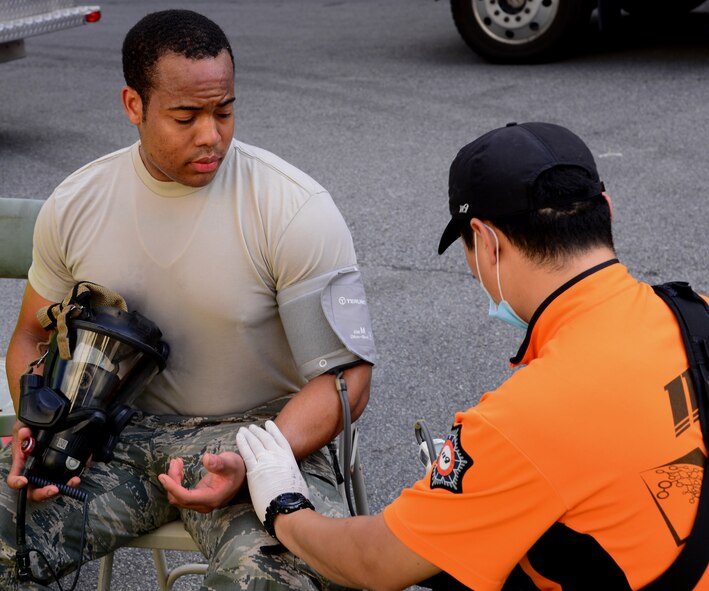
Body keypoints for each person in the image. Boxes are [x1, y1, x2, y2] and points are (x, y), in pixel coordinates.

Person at [236, 122, 709, 590]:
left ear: (485, 240)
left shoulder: (523, 418)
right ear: (606, 209)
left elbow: (373, 562)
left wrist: (285, 506)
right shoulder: (697, 315)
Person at [0, 9, 375, 591]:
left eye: (224, 111)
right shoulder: (76, 203)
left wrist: (253, 462)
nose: (211, 135)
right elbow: (31, 336)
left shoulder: (293, 209)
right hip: (110, 439)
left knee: (285, 576)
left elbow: (344, 380)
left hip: (257, 437)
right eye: (186, 115)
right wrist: (42, 423)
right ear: (133, 106)